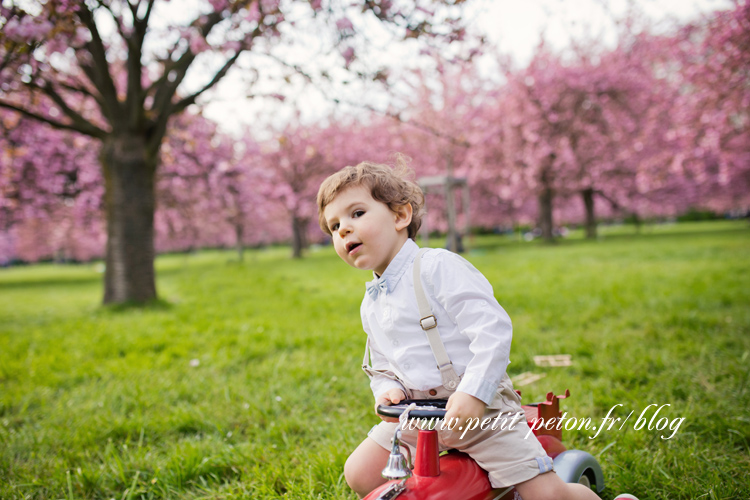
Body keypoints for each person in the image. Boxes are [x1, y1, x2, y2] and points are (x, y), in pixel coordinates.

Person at [316, 157, 635, 500]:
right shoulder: (372, 302)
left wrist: (474, 392)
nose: (344, 229)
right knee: (360, 472)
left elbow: (492, 330)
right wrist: (386, 389)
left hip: (483, 414)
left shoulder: (436, 267)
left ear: (400, 216)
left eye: (357, 214)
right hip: (418, 419)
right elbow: (379, 362)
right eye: (334, 226)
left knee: (547, 495)